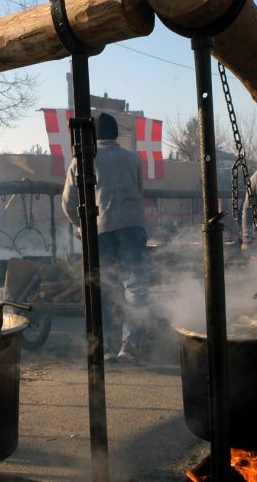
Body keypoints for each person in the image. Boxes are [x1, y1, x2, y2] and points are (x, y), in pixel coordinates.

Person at [61, 112, 149, 365]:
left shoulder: (83, 160)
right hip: (132, 226)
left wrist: (80, 225)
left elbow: (68, 202)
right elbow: (139, 190)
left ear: (94, 136)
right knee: (135, 286)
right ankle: (131, 347)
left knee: (108, 287)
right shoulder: (132, 159)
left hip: (100, 229)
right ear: (115, 135)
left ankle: (108, 348)